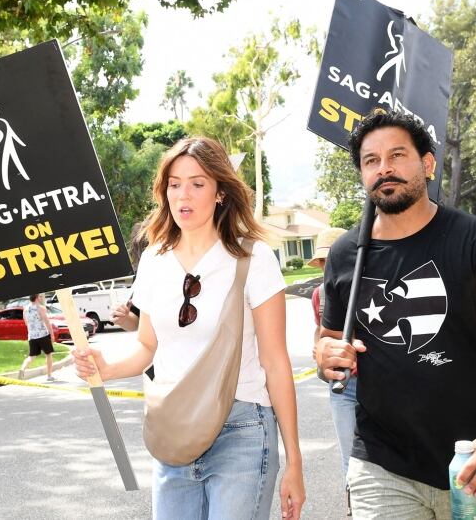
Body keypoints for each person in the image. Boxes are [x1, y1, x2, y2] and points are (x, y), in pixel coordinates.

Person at [74, 137, 305, 519]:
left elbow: (276, 363)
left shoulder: (253, 258)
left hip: (241, 428)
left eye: (198, 183)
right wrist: (108, 368)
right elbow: (148, 345)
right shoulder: (154, 258)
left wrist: (295, 462)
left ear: (219, 192)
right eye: (174, 183)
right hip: (174, 434)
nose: (184, 194)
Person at [315, 110, 476, 519]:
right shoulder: (346, 254)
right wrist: (327, 357)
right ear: (362, 174)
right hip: (382, 462)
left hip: (474, 459)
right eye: (371, 161)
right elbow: (326, 340)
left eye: (397, 155)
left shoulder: (475, 239)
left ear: (427, 164)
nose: (384, 169)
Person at [308, 226, 355, 516]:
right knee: (349, 454)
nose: (329, 265)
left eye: (332, 258)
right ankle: (355, 507)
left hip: (378, 381)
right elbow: (321, 333)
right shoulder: (318, 295)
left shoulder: (369, 283)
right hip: (342, 384)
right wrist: (320, 351)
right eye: (324, 261)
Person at [19, 293, 56, 381]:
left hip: (32, 336)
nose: (40, 298)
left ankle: (22, 369)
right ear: (36, 297)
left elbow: (26, 323)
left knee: (31, 357)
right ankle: (49, 376)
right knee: (49, 355)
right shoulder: (41, 308)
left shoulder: (25, 310)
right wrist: (52, 334)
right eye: (39, 296)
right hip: (43, 335)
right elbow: (47, 322)